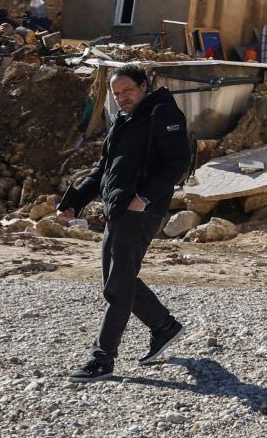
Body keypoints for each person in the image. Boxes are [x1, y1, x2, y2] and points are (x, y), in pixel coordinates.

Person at [58, 63, 193, 378]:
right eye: (117, 93)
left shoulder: (163, 113)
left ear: (144, 86)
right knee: (119, 281)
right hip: (117, 209)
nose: (122, 97)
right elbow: (105, 169)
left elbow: (178, 161)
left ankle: (102, 358)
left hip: (140, 210)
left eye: (128, 90)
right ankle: (164, 326)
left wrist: (143, 199)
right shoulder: (122, 120)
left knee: (117, 286)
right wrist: (75, 202)